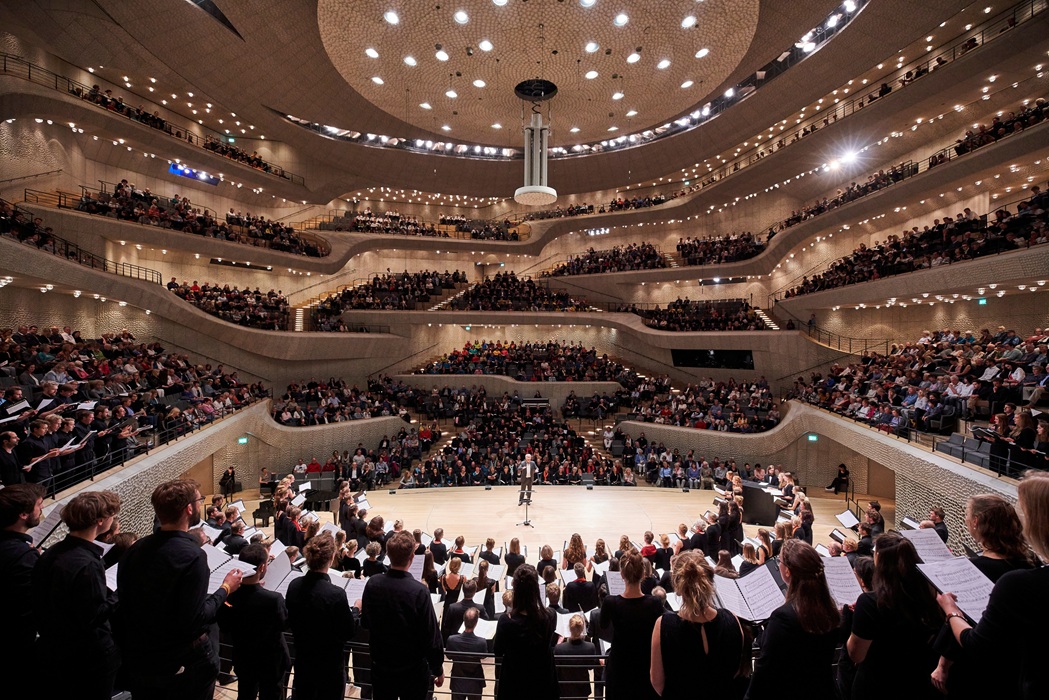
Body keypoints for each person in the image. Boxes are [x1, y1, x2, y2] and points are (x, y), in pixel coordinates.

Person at [115, 479, 244, 700]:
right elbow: (195, 619)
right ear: (189, 508)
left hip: (141, 656)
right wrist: (226, 588)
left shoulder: (134, 550)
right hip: (181, 663)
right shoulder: (193, 556)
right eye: (199, 499)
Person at [936, 470, 1049, 699]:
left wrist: (950, 611)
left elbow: (975, 642)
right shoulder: (1032, 562)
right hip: (1015, 667)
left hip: (988, 674)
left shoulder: (1017, 582)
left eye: (1025, 513)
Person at [32, 490, 122, 700]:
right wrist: (119, 592)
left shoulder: (51, 552)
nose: (112, 520)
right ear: (100, 521)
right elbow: (93, 616)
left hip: (52, 650)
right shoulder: (88, 563)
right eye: (111, 516)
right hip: (86, 659)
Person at [846, 532, 942, 699]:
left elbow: (856, 654)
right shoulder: (932, 595)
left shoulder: (871, 603)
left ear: (881, 563)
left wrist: (855, 620)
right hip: (918, 683)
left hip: (879, 686)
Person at [746, 540, 841, 699]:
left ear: (788, 572)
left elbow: (765, 671)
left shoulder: (784, 617)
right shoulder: (831, 610)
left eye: (779, 562)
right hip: (822, 690)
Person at [362, 529, 445, 700]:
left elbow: (365, 623)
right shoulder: (420, 591)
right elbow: (431, 635)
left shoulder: (373, 584)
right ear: (412, 557)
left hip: (381, 668)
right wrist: (438, 668)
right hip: (412, 671)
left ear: (388, 555)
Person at [650, 550, 744, 698]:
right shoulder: (732, 619)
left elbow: (657, 682)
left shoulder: (663, 624)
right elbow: (735, 671)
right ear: (710, 581)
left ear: (678, 588)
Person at [286, 531, 359, 700]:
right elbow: (348, 631)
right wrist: (355, 610)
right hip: (329, 668)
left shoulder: (294, 585)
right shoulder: (336, 594)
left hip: (303, 662)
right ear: (332, 557)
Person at [216, 543, 290, 700]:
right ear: (262, 568)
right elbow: (284, 624)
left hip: (244, 659)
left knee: (245, 694)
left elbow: (224, 625)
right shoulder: (274, 599)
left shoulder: (228, 596)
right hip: (271, 662)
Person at [601, 549, 663, 700]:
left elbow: (603, 625)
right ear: (643, 574)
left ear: (622, 575)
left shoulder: (610, 602)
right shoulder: (654, 603)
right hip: (645, 666)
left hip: (619, 667)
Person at [493, 564, 558, 700]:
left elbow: (498, 650)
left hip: (514, 685)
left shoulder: (506, 621)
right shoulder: (550, 616)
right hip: (541, 684)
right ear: (536, 590)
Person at [0, 483, 45, 675]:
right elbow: (32, 605)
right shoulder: (22, 556)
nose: (41, 509)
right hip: (16, 643)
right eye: (39, 505)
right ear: (23, 514)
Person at [553, 613, 599, 700]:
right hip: (582, 688)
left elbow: (556, 668)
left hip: (565, 688)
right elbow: (591, 667)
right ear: (582, 629)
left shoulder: (559, 648)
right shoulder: (590, 647)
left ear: (569, 629)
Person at [446, 606, 488, 700]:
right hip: (475, 681)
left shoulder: (452, 639)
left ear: (463, 620)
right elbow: (484, 656)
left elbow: (448, 656)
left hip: (458, 679)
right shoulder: (481, 642)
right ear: (476, 623)